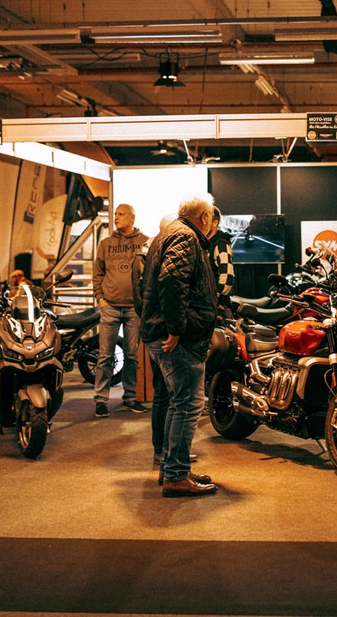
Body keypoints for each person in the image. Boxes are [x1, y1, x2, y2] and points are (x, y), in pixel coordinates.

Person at [141, 193, 220, 497]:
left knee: (179, 402)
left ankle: (173, 468)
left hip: (163, 331)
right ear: (204, 217)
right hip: (178, 338)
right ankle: (175, 474)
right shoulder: (186, 237)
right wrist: (175, 329)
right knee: (188, 403)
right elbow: (171, 281)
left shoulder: (169, 233)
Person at [92, 203, 149, 418]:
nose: (116, 217)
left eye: (121, 214)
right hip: (110, 307)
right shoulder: (106, 244)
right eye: (115, 214)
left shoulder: (145, 242)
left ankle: (130, 398)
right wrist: (100, 298)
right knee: (105, 356)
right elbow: (97, 273)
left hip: (134, 309)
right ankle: (101, 400)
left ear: (132, 218)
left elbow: (150, 274)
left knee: (132, 356)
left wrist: (144, 303)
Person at [208, 206, 236, 317]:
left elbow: (227, 276)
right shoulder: (207, 243)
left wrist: (216, 299)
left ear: (215, 223)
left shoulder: (221, 244)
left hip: (219, 307)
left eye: (205, 219)